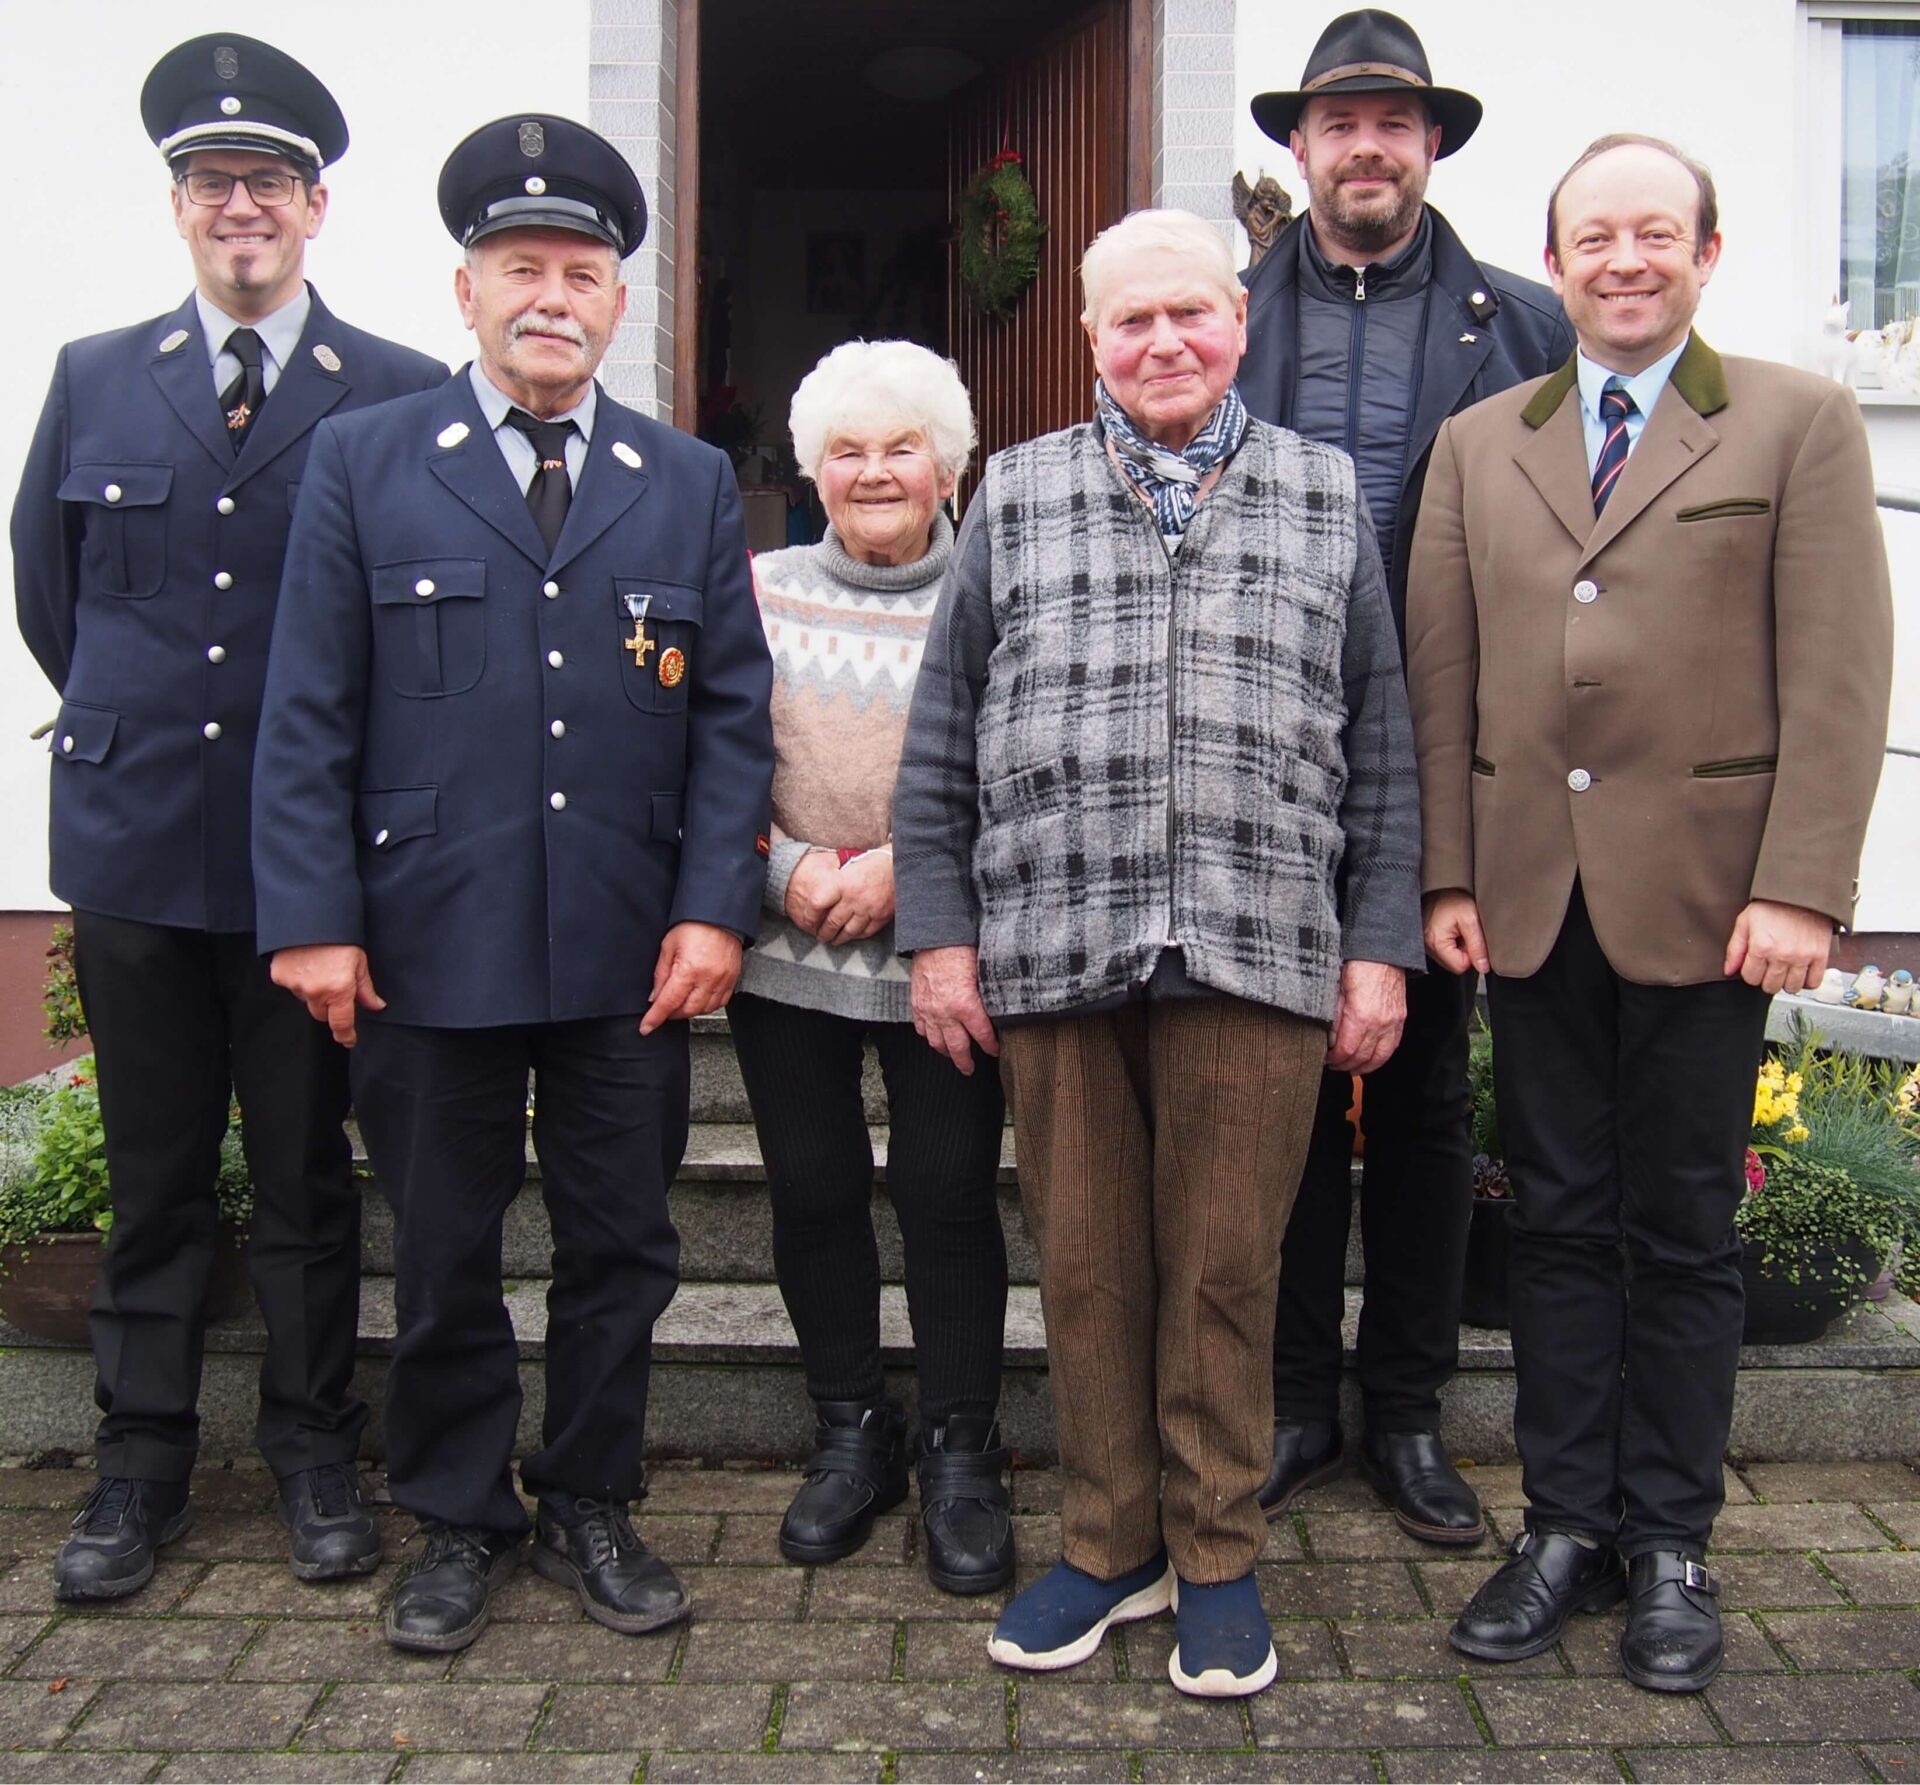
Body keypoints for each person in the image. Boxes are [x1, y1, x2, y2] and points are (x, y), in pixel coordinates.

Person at [251, 113, 774, 1654]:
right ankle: (460, 1516)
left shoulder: (680, 479)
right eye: (520, 267)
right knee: (447, 1244)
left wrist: (709, 908)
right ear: (464, 290)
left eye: (584, 271)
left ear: (620, 302)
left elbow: (731, 715)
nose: (552, 295)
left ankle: (593, 1498)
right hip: (427, 941)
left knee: (623, 1242)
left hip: (630, 948)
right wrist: (318, 922)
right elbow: (308, 709)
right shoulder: (363, 461)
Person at [895, 208, 1424, 1698]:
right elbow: (942, 737)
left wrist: (1376, 948)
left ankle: (1218, 1554)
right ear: (1089, 339)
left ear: (1239, 323)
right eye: (1130, 322)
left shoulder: (1325, 497)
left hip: (1262, 945)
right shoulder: (1018, 493)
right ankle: (1108, 1539)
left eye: (1190, 313)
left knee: (1223, 1270)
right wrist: (940, 934)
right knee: (1086, 1264)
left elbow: (1381, 751)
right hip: (1056, 943)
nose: (1163, 343)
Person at [1408, 135, 1892, 1692]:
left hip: (1713, 904)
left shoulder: (1796, 421)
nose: (1624, 260)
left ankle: (1671, 1542)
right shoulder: (1481, 442)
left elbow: (1837, 669)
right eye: (1592, 237)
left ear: (1707, 251)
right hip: (1532, 901)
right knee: (1552, 1223)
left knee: (1683, 1232)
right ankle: (1562, 1524)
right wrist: (1447, 872)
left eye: (1654, 235)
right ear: (1549, 263)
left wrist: (1804, 884)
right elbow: (1440, 677)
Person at [9, 33, 446, 1603]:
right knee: (156, 1174)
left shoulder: (393, 389)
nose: (237, 205)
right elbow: (52, 603)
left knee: (310, 1179)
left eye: (266, 180)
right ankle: (139, 1472)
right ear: (179, 206)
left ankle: (317, 1457)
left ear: (316, 205)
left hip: (304, 863)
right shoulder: (92, 375)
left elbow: (407, 627)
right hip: (132, 847)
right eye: (210, 181)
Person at [1238, 8, 1574, 1545]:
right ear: (1297, 147)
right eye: (1339, 121)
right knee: (1290, 1090)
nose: (1366, 146)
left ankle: (1413, 1410)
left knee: (1428, 1093)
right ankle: (1300, 1397)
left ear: (1431, 144)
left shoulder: (1525, 328)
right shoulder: (1224, 312)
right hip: (1262, 762)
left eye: (1395, 121)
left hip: (1451, 758)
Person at [731, 341, 1013, 1594]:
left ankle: (961, 1443)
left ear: (950, 463)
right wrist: (782, 871)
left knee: (948, 1186)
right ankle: (852, 1430)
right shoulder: (758, 587)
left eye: (903, 446)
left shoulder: (1006, 590)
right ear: (815, 472)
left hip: (941, 943)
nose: (876, 472)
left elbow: (1029, 761)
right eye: (848, 451)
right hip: (784, 942)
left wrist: (908, 866)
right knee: (812, 1182)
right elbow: (702, 762)